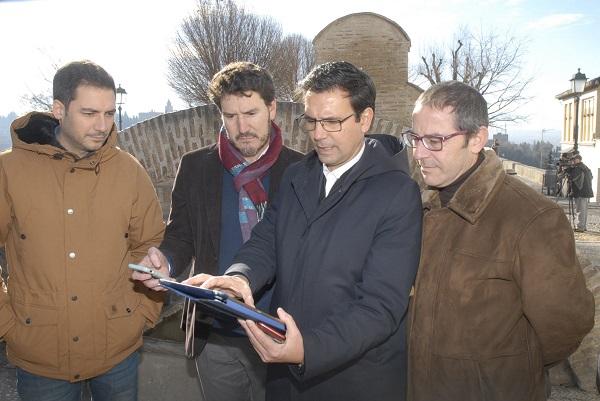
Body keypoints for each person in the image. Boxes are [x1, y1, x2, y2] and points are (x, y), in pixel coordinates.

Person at [185, 61, 422, 401]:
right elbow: (266, 241)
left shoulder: (397, 194)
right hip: (286, 375)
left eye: (332, 121)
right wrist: (240, 278)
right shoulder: (299, 175)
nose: (318, 134)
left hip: (353, 380)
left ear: (365, 119)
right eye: (311, 120)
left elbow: (380, 307)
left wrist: (308, 349)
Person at [403, 81, 594, 401]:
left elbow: (565, 325)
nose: (419, 152)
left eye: (435, 140)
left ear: (477, 138)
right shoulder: (414, 202)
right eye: (415, 138)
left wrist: (506, 368)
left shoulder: (532, 218)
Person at [132, 61, 303, 401]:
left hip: (281, 331)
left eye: (251, 113)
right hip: (215, 335)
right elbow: (181, 235)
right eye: (230, 116)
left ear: (271, 108)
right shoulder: (195, 166)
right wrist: (165, 260)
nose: (242, 127)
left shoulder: (301, 170)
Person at [0, 60, 165, 401]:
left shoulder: (128, 171)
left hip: (118, 350)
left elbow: (150, 244)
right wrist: (8, 326)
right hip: (40, 356)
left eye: (108, 113)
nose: (102, 125)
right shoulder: (8, 171)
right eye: (90, 113)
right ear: (58, 109)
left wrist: (142, 314)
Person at [567, 154, 594, 232]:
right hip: (586, 192)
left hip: (581, 193)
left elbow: (573, 178)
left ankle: (580, 227)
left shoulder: (578, 168)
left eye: (574, 160)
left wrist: (569, 170)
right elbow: (591, 177)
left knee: (580, 210)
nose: (573, 161)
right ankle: (583, 226)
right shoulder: (585, 167)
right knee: (584, 210)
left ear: (578, 159)